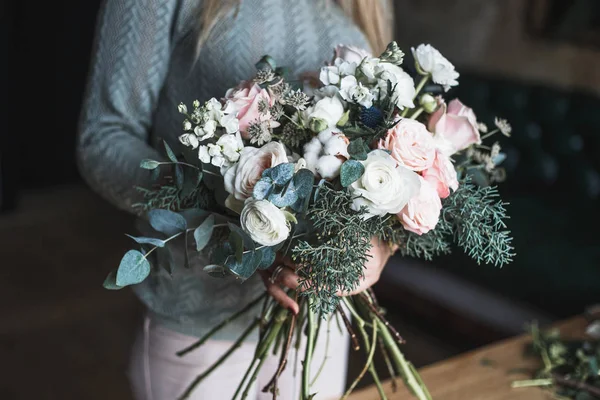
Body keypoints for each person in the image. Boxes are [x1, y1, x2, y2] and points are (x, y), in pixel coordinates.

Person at [77, 0, 395, 399]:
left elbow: (384, 138)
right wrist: (240, 217)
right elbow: (104, 137)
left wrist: (380, 244)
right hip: (201, 330)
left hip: (322, 322)